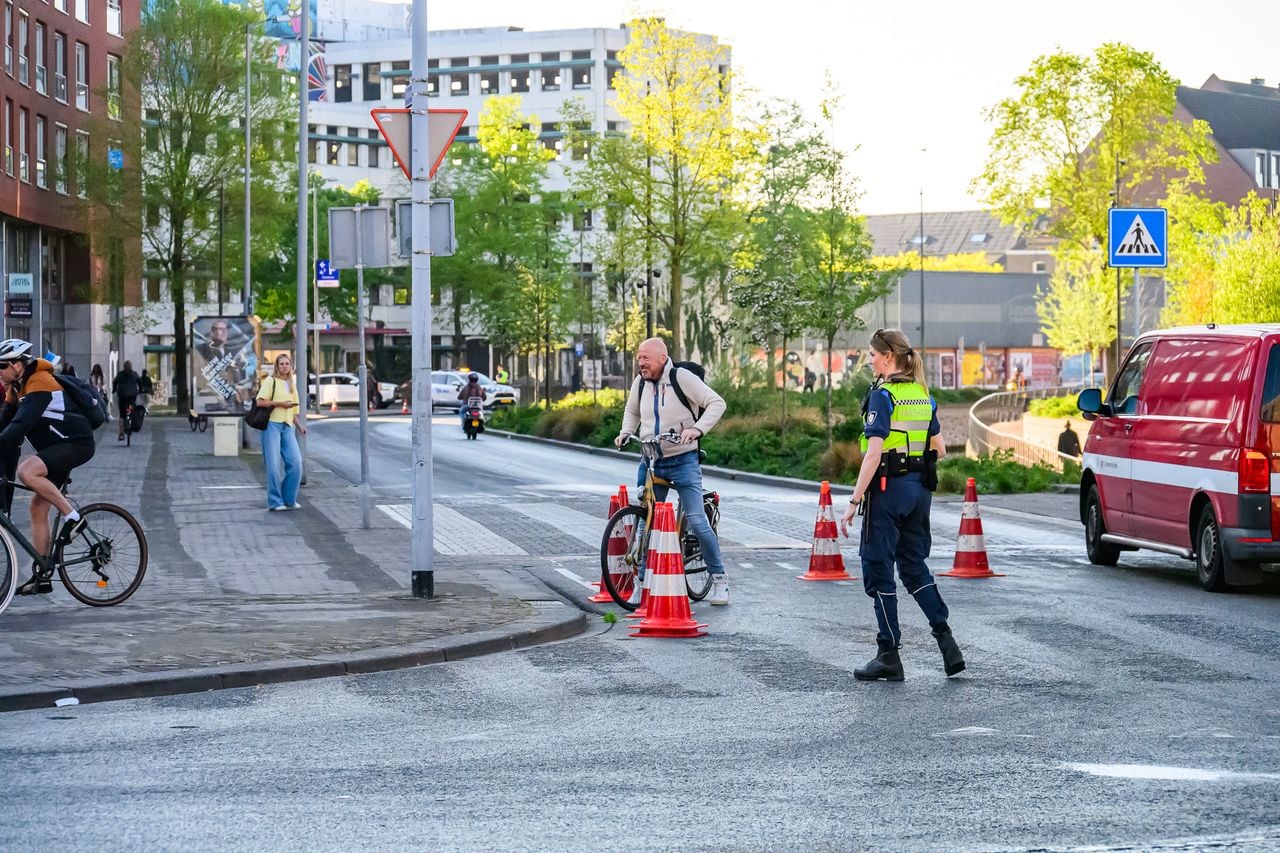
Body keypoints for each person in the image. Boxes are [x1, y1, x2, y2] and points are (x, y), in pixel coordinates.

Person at [838, 328, 965, 681]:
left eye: (873, 355)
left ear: (889, 358)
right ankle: (946, 639)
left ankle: (888, 654)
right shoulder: (923, 395)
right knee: (913, 566)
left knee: (877, 567)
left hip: (887, 489)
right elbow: (940, 448)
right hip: (919, 491)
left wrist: (854, 500)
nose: (870, 360)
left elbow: (873, 453)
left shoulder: (884, 396)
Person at [615, 337, 730, 605]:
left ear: (662, 359)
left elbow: (717, 403)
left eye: (645, 358)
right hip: (651, 459)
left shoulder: (682, 378)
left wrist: (697, 429)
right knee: (646, 523)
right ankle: (641, 584)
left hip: (682, 460)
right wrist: (625, 433)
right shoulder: (640, 383)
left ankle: (720, 579)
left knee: (697, 521)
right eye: (639, 357)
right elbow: (632, 411)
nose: (640, 363)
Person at [0, 339, 96, 595]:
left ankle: (73, 518)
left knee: (27, 471)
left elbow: (19, 425)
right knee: (36, 508)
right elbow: (4, 424)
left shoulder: (40, 382)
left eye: (1, 366)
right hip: (56, 449)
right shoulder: (17, 387)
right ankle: (42, 576)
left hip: (76, 443)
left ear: (17, 365)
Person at [256, 353, 307, 511]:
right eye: (282, 364)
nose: (285, 366)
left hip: (287, 426)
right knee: (273, 465)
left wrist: (300, 426)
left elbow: (293, 411)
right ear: (277, 366)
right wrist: (279, 404)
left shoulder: (292, 384)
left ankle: (289, 498)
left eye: (287, 364)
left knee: (296, 463)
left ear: (291, 366)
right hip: (272, 425)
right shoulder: (270, 381)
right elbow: (259, 401)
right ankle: (275, 501)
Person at [112, 360, 142, 441]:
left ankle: (121, 433)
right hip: (132, 395)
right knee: (131, 408)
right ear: (131, 366)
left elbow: (115, 382)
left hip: (122, 395)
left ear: (124, 367)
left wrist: (114, 390)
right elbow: (140, 382)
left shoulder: (120, 374)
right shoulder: (134, 374)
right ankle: (130, 415)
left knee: (122, 414)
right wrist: (141, 390)